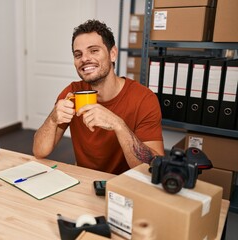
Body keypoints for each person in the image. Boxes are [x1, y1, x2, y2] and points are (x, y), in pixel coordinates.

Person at [33, 19, 164, 174]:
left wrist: (118, 125)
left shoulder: (143, 98)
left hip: (127, 184)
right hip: (86, 181)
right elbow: (39, 151)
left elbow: (153, 168)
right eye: (78, 54)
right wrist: (52, 119)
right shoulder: (72, 93)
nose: (84, 59)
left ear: (112, 54)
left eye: (94, 50)